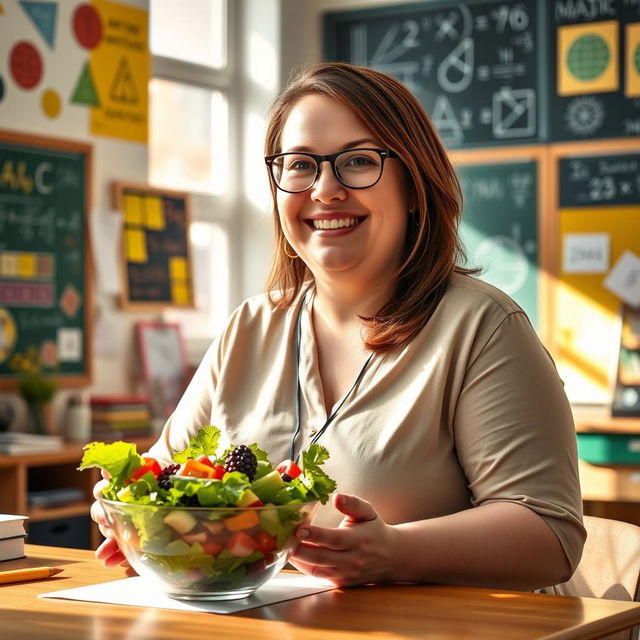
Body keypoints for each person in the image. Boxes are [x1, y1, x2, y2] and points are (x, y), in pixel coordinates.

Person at [91, 62, 585, 591]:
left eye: (356, 161)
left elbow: (549, 536)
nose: (325, 190)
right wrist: (136, 520)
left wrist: (394, 552)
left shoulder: (482, 327)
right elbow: (162, 483)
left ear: (415, 186)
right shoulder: (249, 328)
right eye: (300, 165)